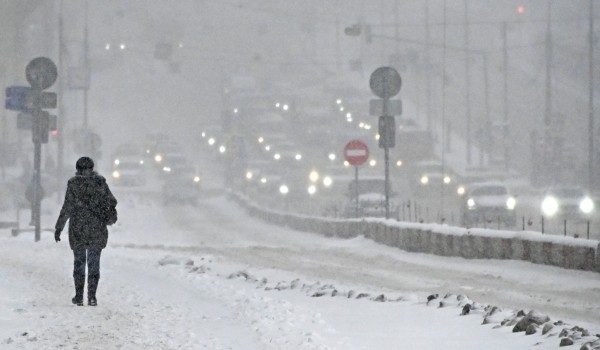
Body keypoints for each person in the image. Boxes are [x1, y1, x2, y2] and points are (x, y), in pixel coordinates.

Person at [54, 157, 117, 306]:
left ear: (78, 169)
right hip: (97, 229)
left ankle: (79, 296)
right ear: (92, 168)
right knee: (94, 264)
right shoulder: (100, 182)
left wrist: (59, 227)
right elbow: (112, 201)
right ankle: (92, 297)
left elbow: (67, 207)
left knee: (79, 264)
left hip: (78, 229)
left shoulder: (74, 184)